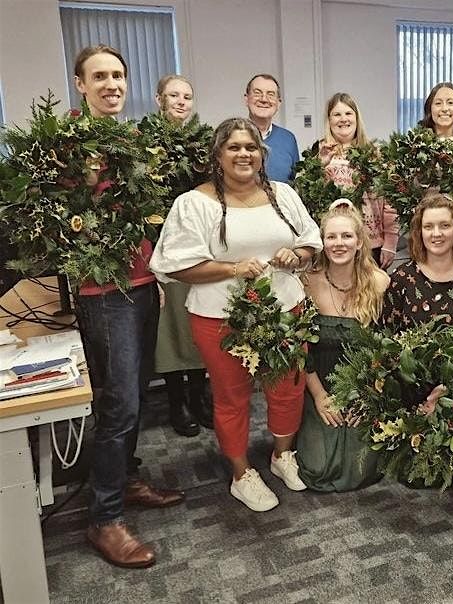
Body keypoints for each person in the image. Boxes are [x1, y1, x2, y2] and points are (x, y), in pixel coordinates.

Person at [149, 118, 322, 512]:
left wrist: (296, 255)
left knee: (287, 387)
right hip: (220, 319)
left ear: (262, 155)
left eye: (251, 147)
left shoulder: (284, 195)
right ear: (218, 155)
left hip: (284, 310)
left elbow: (311, 242)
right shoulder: (194, 203)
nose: (244, 154)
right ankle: (241, 474)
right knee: (231, 397)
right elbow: (172, 265)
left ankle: (282, 455)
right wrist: (231, 268)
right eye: (234, 148)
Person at [72, 45, 184, 569]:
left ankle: (127, 478)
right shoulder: (68, 146)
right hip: (103, 293)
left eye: (118, 75)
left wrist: (156, 278)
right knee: (118, 406)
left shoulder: (134, 139)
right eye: (100, 76)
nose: (111, 84)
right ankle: (105, 518)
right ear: (80, 84)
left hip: (142, 284)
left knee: (136, 393)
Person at [295, 200, 390, 491]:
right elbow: (298, 348)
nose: (339, 243)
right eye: (331, 237)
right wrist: (320, 396)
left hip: (362, 384)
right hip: (317, 382)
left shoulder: (379, 282)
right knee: (318, 468)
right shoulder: (305, 283)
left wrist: (367, 396)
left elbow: (383, 350)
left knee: (362, 466)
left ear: (360, 241)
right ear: (321, 242)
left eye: (347, 236)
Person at [151, 74, 212, 437]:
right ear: (159, 99)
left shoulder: (202, 145)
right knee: (170, 333)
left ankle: (199, 396)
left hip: (198, 249)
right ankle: (177, 403)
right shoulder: (145, 145)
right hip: (164, 251)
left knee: (196, 328)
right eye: (173, 95)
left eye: (187, 96)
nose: (180, 101)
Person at [313, 92, 400, 268]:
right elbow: (311, 198)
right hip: (333, 245)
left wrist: (390, 242)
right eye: (337, 114)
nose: (343, 119)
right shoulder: (319, 153)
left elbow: (390, 202)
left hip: (371, 244)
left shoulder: (375, 154)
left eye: (348, 113)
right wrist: (320, 166)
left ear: (356, 118)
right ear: (329, 120)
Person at [382, 191, 453, 333]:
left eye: (445, 225)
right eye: (428, 226)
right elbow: (387, 337)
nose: (436, 233)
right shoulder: (401, 278)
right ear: (420, 231)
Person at [244, 73, 299, 183]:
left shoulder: (288, 139)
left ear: (278, 103)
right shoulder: (230, 137)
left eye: (270, 94)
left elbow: (296, 182)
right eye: (257, 93)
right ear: (246, 99)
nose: (264, 99)